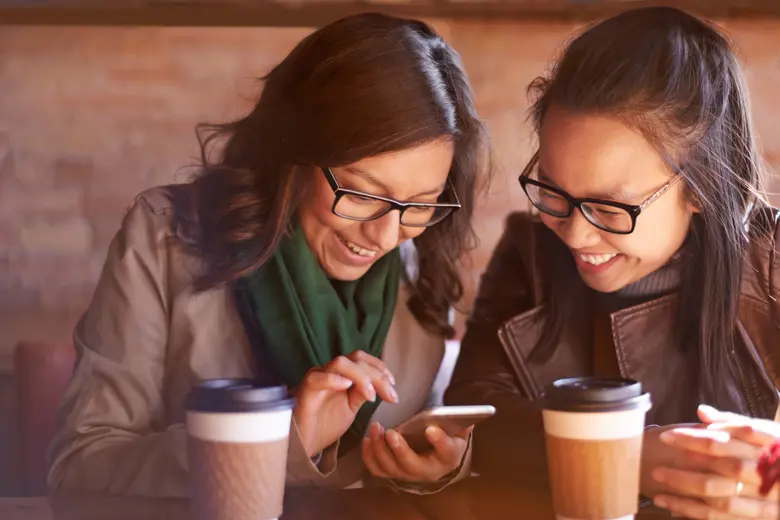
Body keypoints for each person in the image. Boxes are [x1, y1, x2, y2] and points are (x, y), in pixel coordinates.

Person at [48, 12, 490, 497]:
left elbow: (427, 440)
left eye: (421, 204)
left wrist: (440, 468)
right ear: (294, 149)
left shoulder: (422, 263)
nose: (387, 234)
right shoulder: (166, 240)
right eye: (362, 193)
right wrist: (275, 438)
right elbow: (80, 471)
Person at [446, 7, 780, 519]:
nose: (575, 234)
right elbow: (471, 417)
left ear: (702, 188)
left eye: (609, 207)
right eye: (554, 191)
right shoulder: (530, 254)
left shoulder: (771, 262)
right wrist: (631, 452)